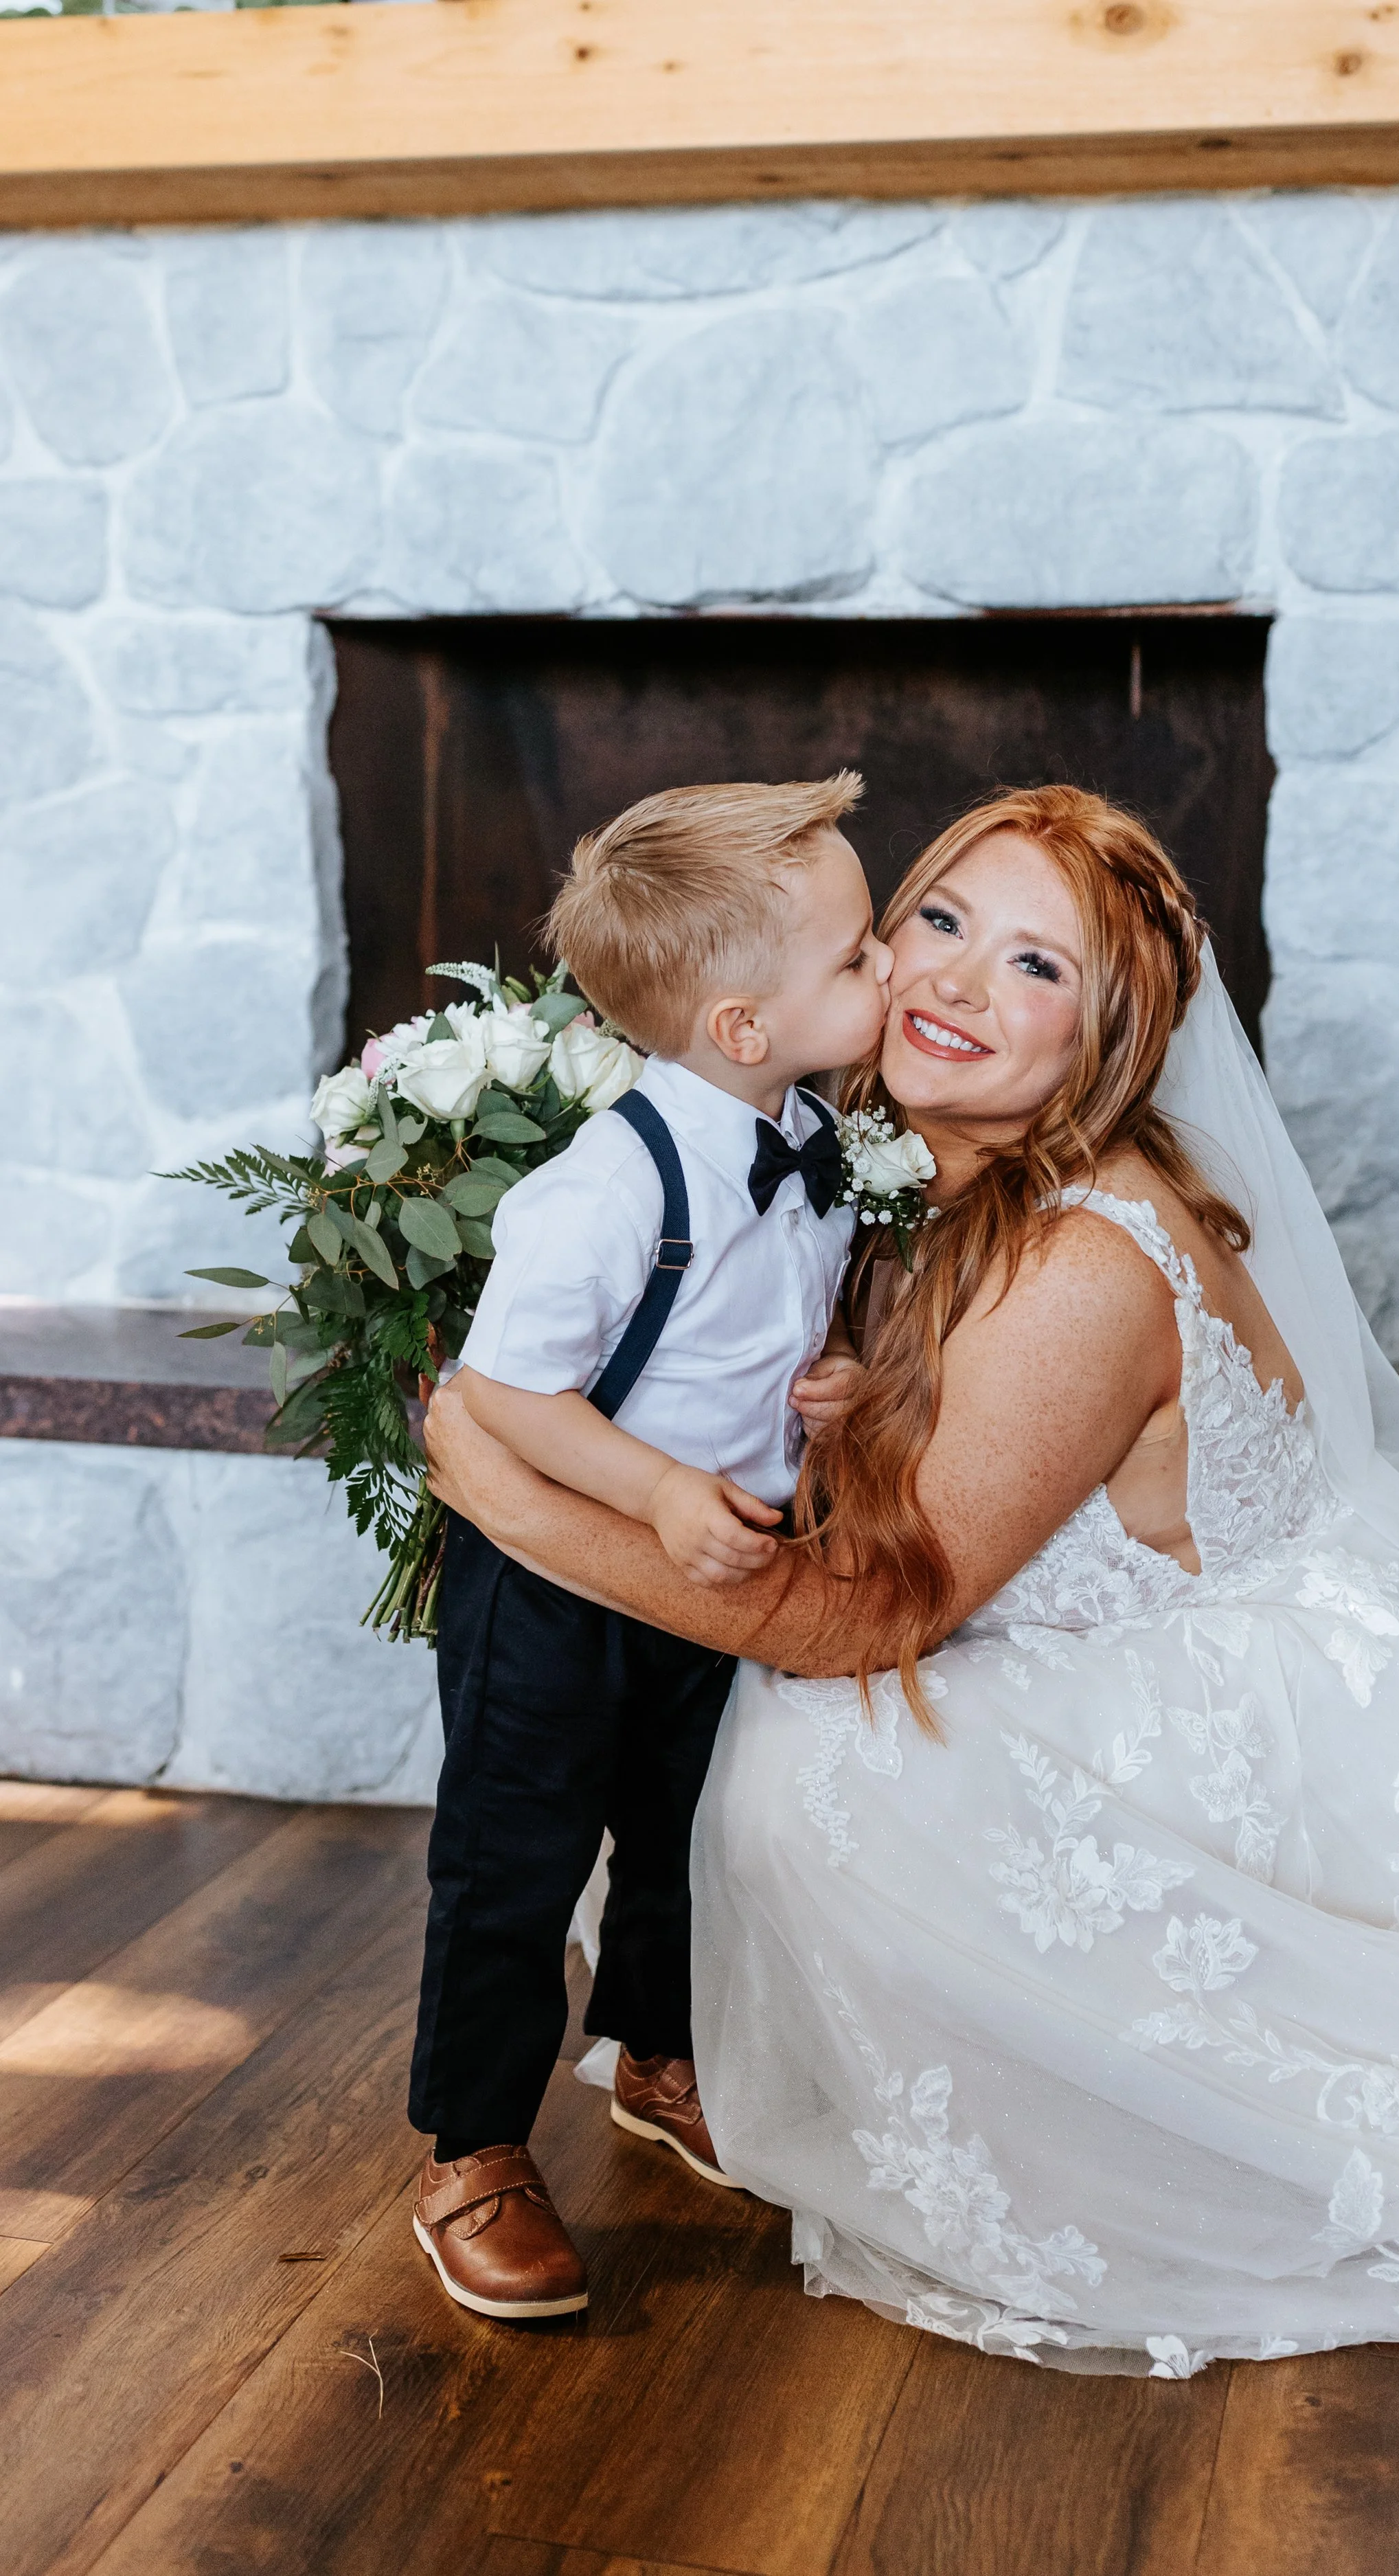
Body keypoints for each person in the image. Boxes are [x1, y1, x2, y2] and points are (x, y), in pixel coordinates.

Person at [425, 786, 1399, 2483]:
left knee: (817, 1762)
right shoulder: (877, 1169)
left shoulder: (1082, 1264)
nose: (951, 980)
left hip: (1250, 1734)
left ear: (1107, 1035)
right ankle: (569, 2093)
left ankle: (675, 2059)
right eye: (939, 919)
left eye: (1032, 963)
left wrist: (517, 1500)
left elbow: (870, 1610)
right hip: (1151, 1637)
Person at [409, 773, 891, 2322]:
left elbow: (756, 1332)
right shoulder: (608, 1184)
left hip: (712, 1581)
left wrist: (826, 1387)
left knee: (689, 1835)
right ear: (742, 1027)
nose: (891, 976)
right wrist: (656, 1486)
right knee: (513, 1863)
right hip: (555, 1584)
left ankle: (657, 2050)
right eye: (860, 956)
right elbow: (501, 1393)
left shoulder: (809, 1136)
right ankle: (470, 2149)